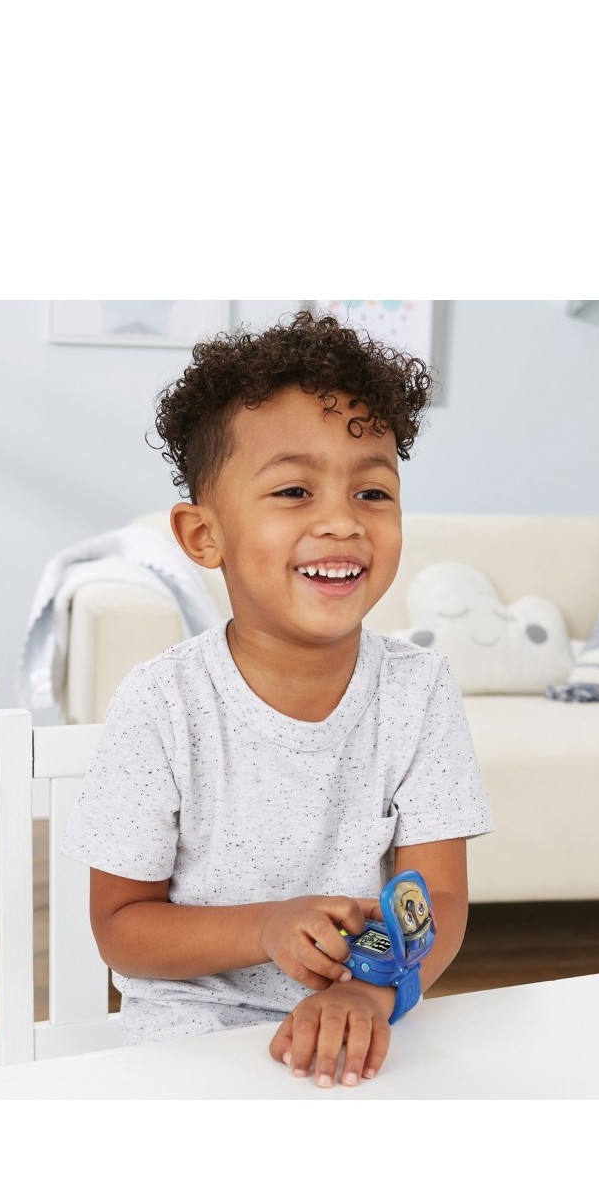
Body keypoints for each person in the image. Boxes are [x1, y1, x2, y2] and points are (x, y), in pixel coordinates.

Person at [62, 310, 493, 1086]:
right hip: (190, 1041)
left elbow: (442, 900)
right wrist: (267, 928)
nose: (342, 522)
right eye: (295, 490)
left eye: (372, 491)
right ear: (204, 536)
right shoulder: (162, 703)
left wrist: (368, 992)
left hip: (363, 1024)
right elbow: (121, 928)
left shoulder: (420, 690)